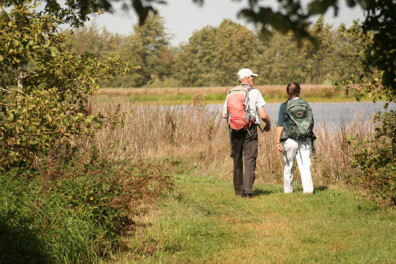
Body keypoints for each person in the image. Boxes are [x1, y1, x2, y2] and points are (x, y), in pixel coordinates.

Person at [222, 68, 271, 198]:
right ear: (248, 78)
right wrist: (268, 124)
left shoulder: (231, 92)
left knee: (237, 159)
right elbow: (262, 114)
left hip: (234, 130)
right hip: (250, 129)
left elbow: (223, 114)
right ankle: (248, 191)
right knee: (249, 159)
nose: (253, 79)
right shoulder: (255, 92)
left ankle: (238, 191)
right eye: (252, 77)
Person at [276, 82, 314, 194]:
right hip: (304, 140)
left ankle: (288, 191)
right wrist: (307, 134)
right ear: (299, 91)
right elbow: (311, 123)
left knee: (288, 165)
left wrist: (278, 141)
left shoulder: (284, 106)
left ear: (287, 92)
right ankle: (308, 190)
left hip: (289, 140)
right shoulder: (305, 104)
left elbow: (280, 125)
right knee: (305, 166)